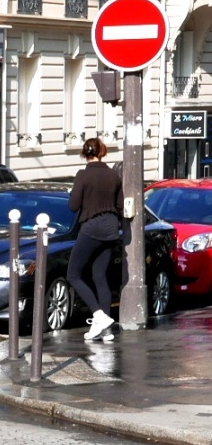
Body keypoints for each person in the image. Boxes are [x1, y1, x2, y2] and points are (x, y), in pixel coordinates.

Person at [68, 137, 124, 342]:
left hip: (91, 227)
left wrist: (76, 194)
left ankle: (99, 316)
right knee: (100, 276)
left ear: (84, 153)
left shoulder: (82, 175)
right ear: (103, 152)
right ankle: (105, 331)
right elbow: (120, 206)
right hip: (111, 229)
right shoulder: (113, 175)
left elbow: (74, 206)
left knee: (73, 275)